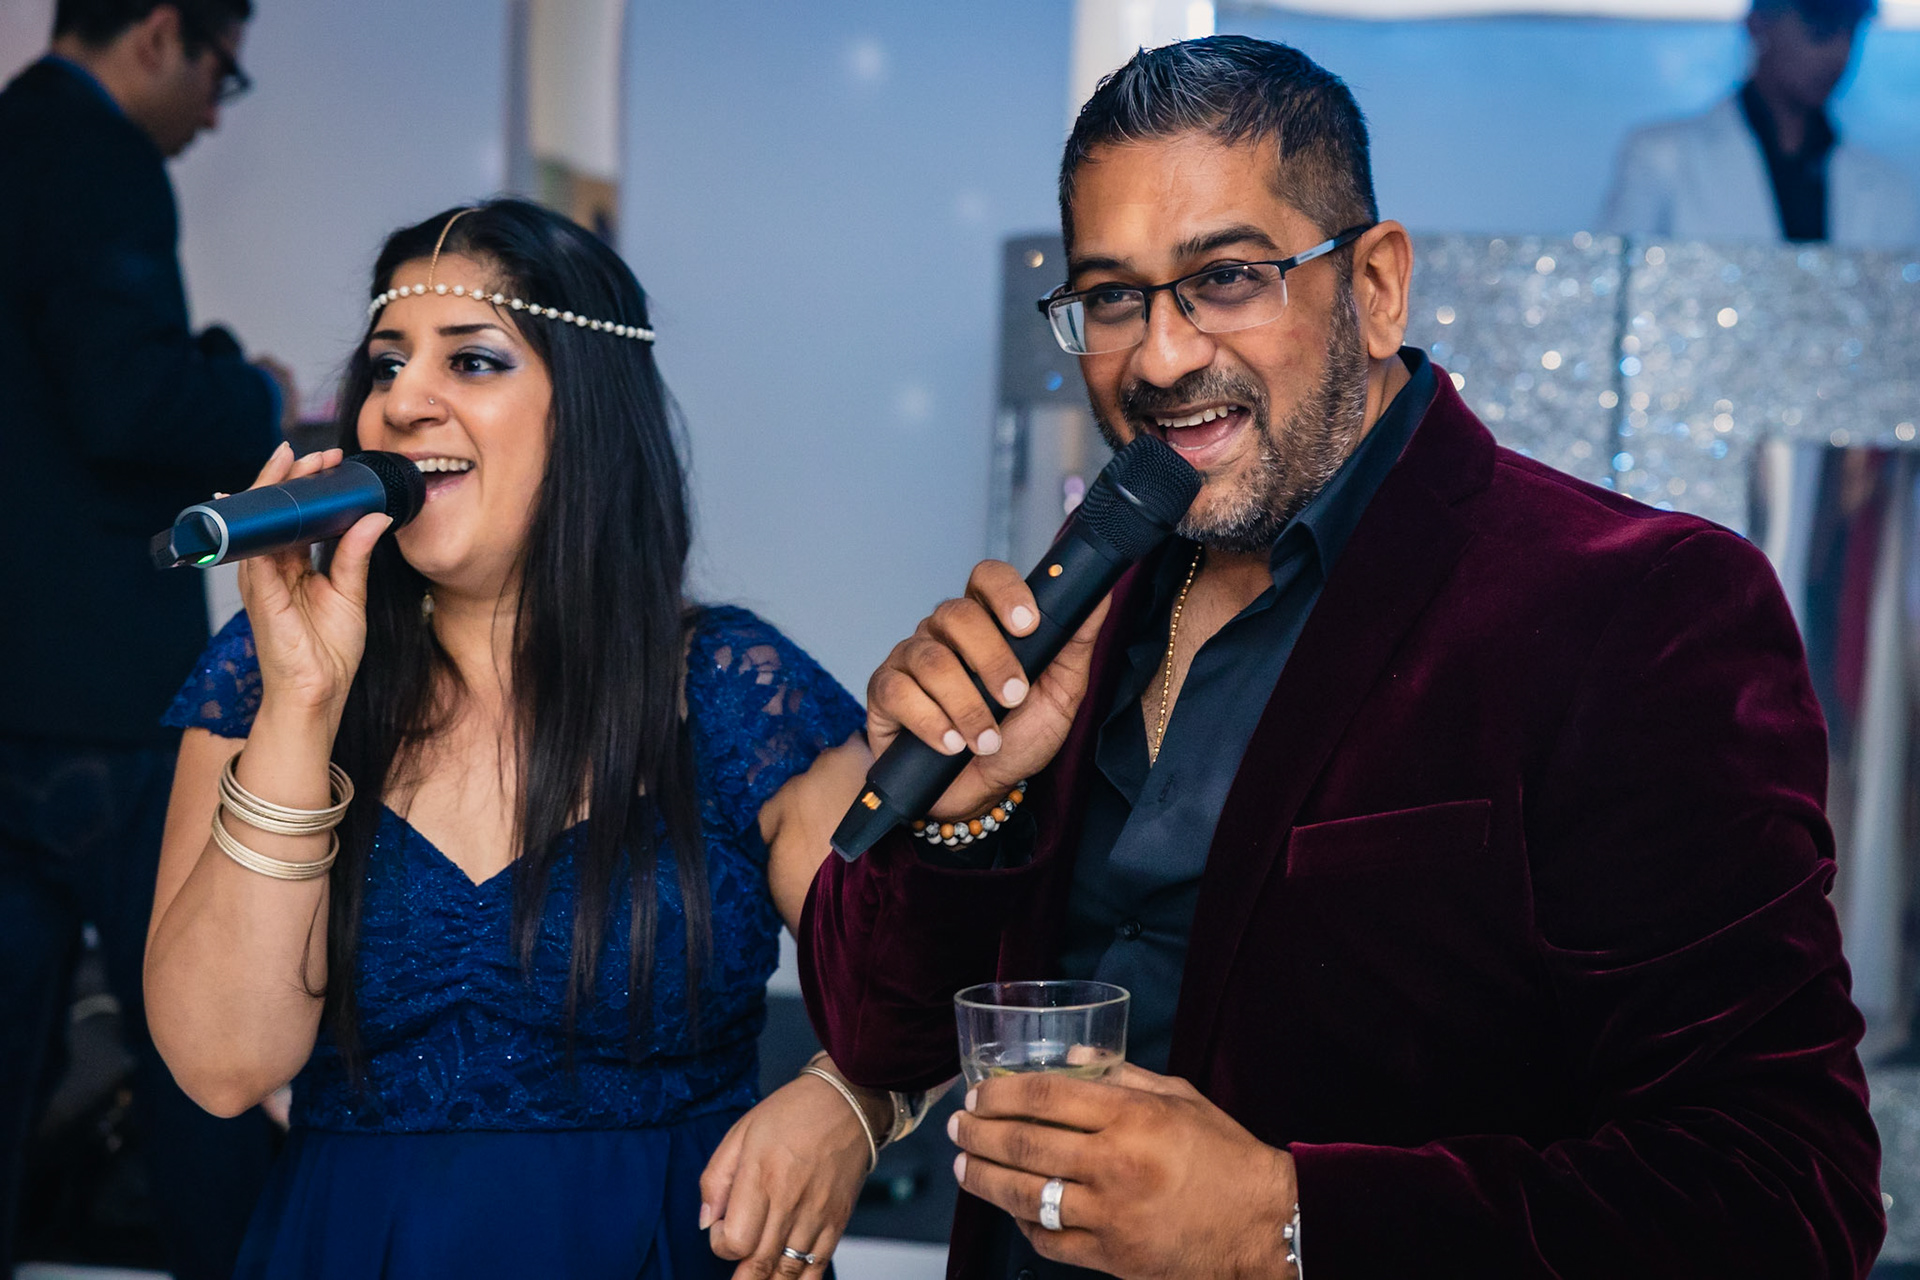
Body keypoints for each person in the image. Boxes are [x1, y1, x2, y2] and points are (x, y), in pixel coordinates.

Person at [803, 35, 1885, 1280]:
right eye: (1112, 297)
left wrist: (1283, 1219)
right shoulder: (1086, 596)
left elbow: (1785, 1194)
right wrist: (962, 818)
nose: (1160, 356)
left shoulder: (1637, 604)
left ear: (1375, 285)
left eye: (1227, 277)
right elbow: (876, 1035)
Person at [143, 199, 911, 1279]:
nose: (402, 401)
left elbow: (933, 976)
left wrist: (849, 1104)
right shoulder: (265, 677)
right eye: (387, 365)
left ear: (588, 410)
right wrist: (303, 705)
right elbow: (223, 1066)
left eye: (472, 361)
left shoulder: (731, 689)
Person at [0, 1, 289, 1274]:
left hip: (14, 688)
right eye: (223, 73)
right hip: (104, 698)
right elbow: (127, 404)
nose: (217, 113)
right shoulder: (98, 156)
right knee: (194, 1042)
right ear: (164, 32)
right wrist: (256, 391)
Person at [1602, 0, 1919, 247]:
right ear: (1759, 24)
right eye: (1820, 30)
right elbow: (1614, 291)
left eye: (1850, 33)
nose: (1838, 54)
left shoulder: (1891, 189)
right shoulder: (1661, 158)